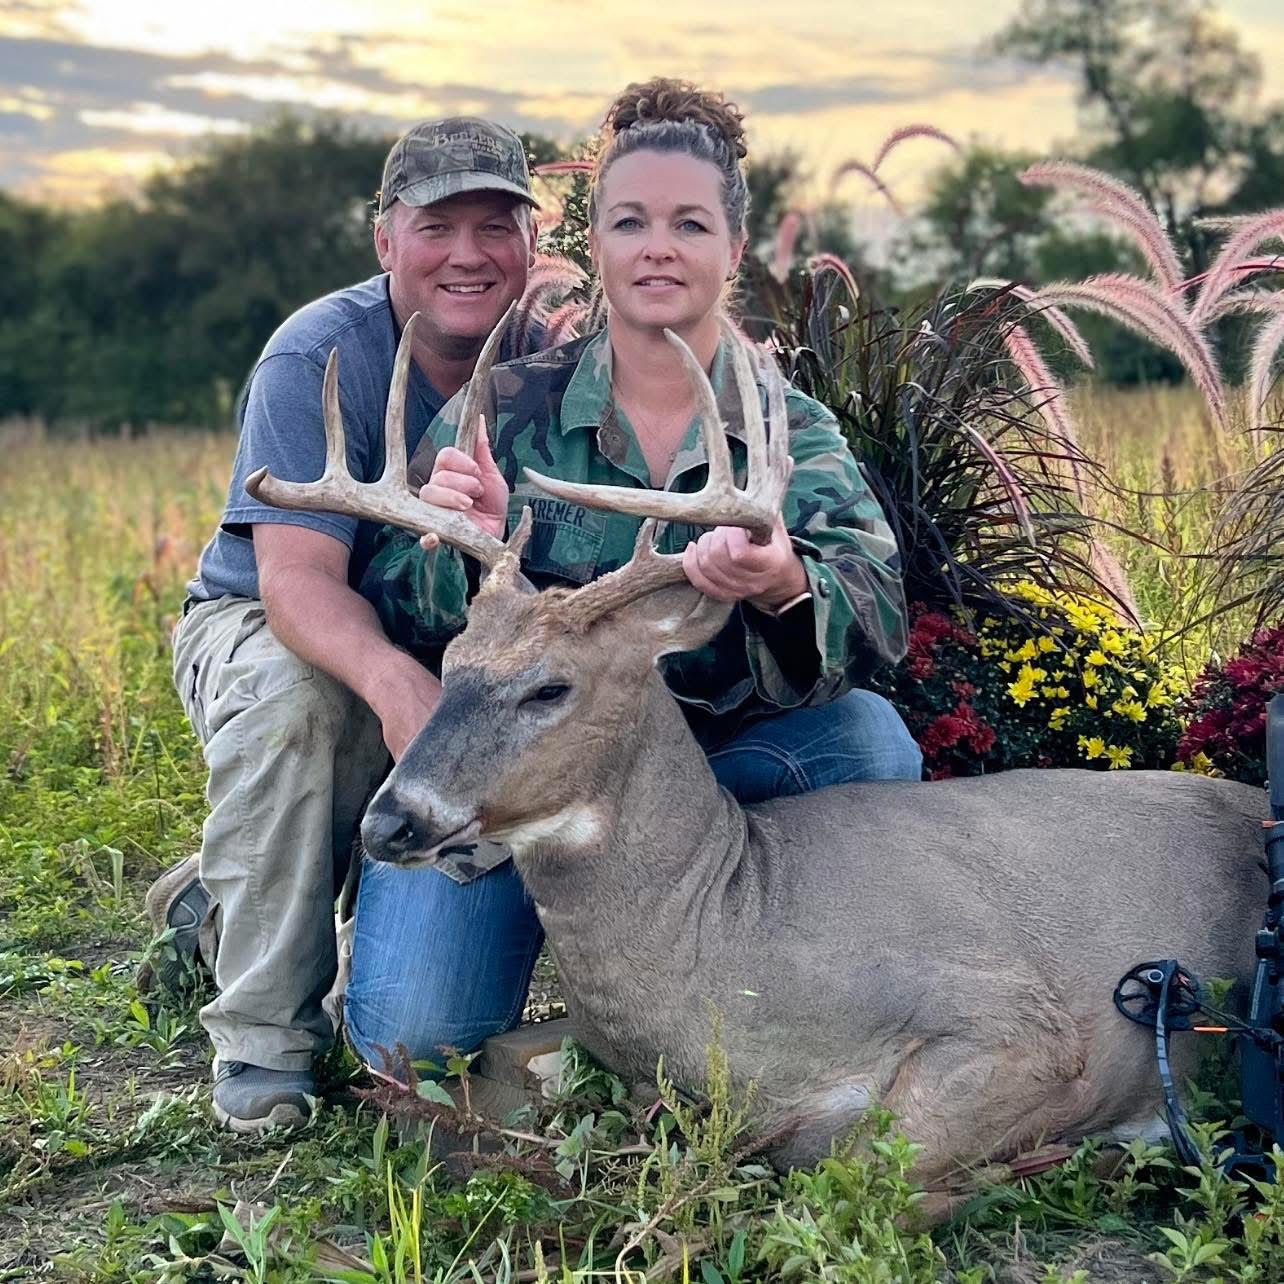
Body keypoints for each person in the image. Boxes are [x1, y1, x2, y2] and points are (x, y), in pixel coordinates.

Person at [343, 79, 921, 1075]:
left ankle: (723, 985)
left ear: (733, 251)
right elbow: (396, 596)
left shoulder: (787, 433)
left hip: (699, 788)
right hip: (506, 782)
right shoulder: (508, 410)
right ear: (595, 243)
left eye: (690, 223)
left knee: (870, 744)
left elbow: (878, 623)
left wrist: (784, 581)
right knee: (412, 1041)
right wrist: (460, 548)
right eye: (631, 222)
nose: (659, 246)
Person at [151, 117, 544, 1131]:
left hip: (450, 645)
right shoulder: (319, 354)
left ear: (532, 243)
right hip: (267, 623)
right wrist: (393, 679)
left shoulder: (559, 360)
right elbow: (296, 584)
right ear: (384, 239)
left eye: (496, 225)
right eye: (437, 225)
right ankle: (265, 1040)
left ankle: (219, 905)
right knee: (309, 706)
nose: (469, 254)